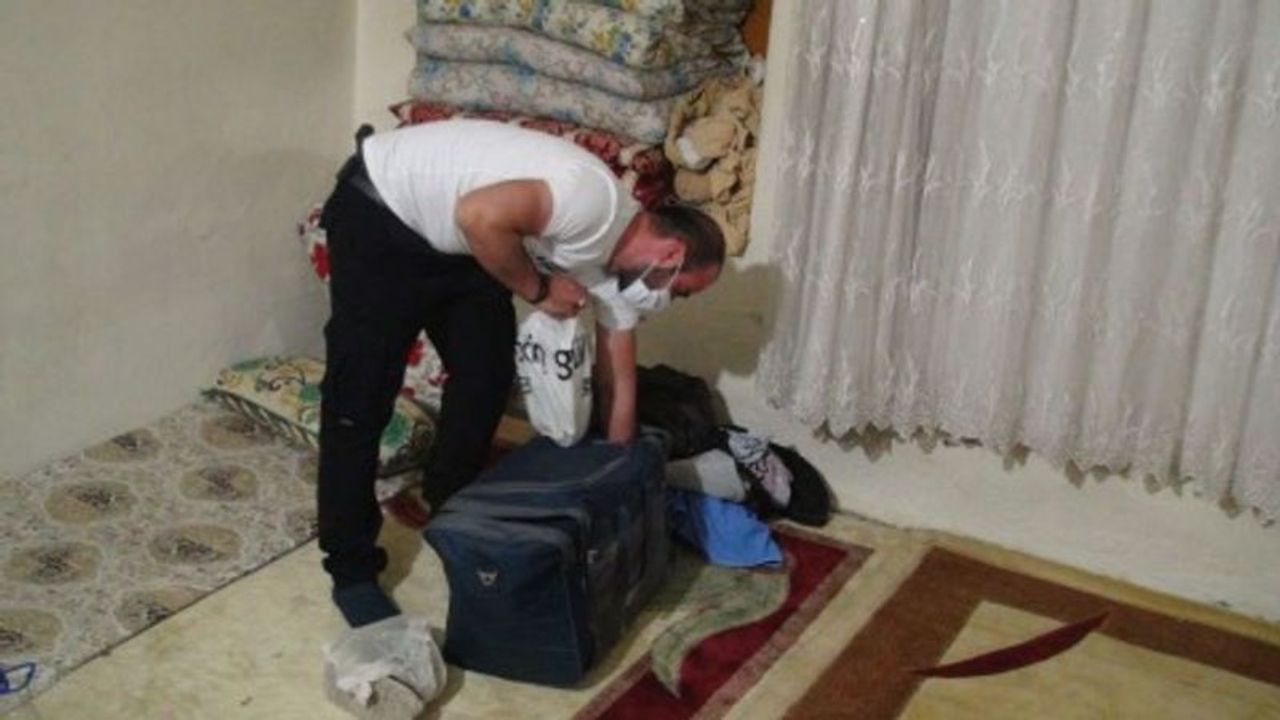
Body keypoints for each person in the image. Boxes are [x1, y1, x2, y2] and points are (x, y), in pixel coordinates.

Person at [316, 119, 726, 626]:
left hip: (457, 241)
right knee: (358, 401)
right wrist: (539, 290)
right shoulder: (592, 204)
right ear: (672, 253)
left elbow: (618, 379)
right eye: (681, 291)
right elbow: (477, 215)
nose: (669, 300)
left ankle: (450, 501)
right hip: (383, 214)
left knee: (486, 372)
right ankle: (351, 568)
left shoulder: (620, 271)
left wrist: (617, 479)